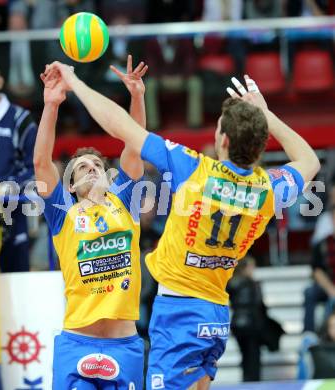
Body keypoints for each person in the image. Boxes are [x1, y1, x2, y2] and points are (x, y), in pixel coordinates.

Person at [42, 62, 320, 389]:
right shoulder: (266, 189)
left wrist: (75, 81)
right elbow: (310, 161)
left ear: (224, 140)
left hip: (180, 312)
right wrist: (266, 115)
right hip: (216, 311)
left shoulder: (195, 169)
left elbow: (120, 126)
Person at [34, 56, 148, 389]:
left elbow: (135, 144)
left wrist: (137, 96)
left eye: (97, 164)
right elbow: (41, 163)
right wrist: (52, 105)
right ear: (70, 184)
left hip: (123, 345)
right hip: (76, 343)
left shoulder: (124, 202)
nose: (92, 169)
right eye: (83, 167)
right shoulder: (63, 213)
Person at [0, 59, 37, 272]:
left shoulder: (20, 119)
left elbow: (34, 170)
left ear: (0, 82)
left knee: (15, 278)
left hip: (12, 214)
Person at [228, 256, 284, 381]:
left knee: (245, 355)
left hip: (237, 324)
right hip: (252, 324)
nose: (254, 269)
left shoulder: (231, 282)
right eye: (252, 266)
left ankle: (247, 380)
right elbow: (260, 307)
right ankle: (252, 382)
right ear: (246, 267)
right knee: (253, 357)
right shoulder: (253, 284)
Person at [303, 177, 335, 332]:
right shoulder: (322, 243)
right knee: (310, 292)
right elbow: (316, 269)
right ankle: (309, 334)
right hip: (328, 284)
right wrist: (331, 290)